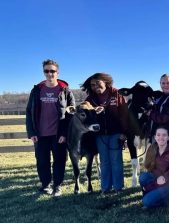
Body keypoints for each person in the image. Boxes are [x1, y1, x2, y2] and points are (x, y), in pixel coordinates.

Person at [26, 59, 75, 197]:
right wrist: (31, 132)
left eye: (52, 71)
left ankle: (57, 186)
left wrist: (64, 133)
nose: (49, 74)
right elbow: (29, 112)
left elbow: (71, 115)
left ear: (57, 72)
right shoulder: (36, 90)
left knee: (59, 160)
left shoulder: (65, 91)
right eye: (46, 71)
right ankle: (46, 185)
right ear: (44, 72)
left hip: (58, 134)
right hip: (40, 134)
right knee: (42, 161)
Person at [81, 73, 129, 194]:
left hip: (116, 133)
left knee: (116, 161)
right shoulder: (90, 99)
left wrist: (125, 132)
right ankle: (105, 188)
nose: (95, 86)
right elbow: (85, 117)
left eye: (98, 83)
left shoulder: (117, 94)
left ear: (105, 82)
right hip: (99, 135)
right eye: (92, 85)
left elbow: (125, 115)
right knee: (104, 162)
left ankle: (118, 187)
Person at [139, 127, 169, 209]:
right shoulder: (151, 149)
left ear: (168, 137)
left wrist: (163, 178)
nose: (161, 137)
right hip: (157, 179)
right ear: (155, 137)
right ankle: (151, 195)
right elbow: (148, 167)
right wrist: (156, 180)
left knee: (146, 201)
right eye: (158, 135)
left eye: (164, 135)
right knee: (143, 177)